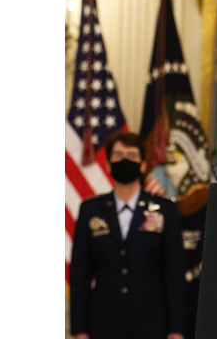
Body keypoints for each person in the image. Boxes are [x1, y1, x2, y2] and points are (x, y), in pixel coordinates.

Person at [69, 132, 186, 339]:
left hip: (153, 325)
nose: (125, 160)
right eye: (118, 155)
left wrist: (176, 330)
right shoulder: (91, 211)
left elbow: (174, 274)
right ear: (108, 164)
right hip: (102, 325)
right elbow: (80, 276)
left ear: (142, 165)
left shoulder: (164, 210)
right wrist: (80, 330)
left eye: (132, 156)